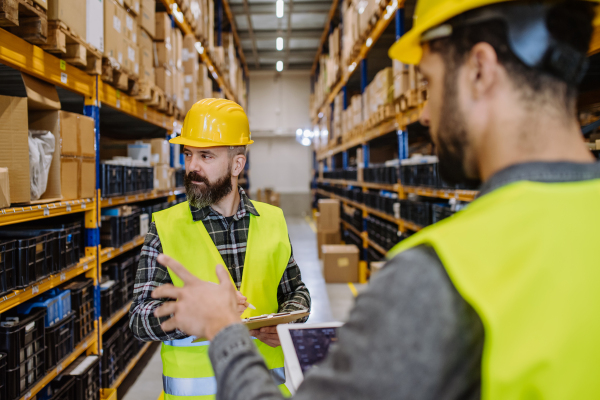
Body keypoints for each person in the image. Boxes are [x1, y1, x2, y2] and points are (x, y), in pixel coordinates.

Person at [151, 1, 600, 399]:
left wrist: (225, 331)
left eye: (429, 82)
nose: (423, 113)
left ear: (480, 69)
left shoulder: (441, 274)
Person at [129, 98, 311, 399]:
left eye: (206, 156)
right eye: (188, 155)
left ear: (237, 164)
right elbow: (139, 317)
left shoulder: (273, 220)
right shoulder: (165, 227)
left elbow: (297, 292)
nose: (192, 167)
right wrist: (191, 315)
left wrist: (287, 321)